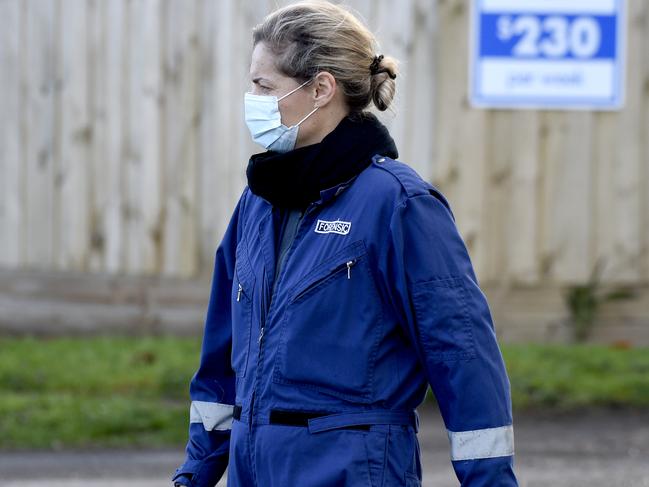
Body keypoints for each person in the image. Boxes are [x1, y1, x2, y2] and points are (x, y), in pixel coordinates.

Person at [172, 1, 518, 486]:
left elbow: (464, 357)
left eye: (263, 85)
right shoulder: (256, 202)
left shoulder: (399, 205)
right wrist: (196, 472)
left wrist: (491, 481)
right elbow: (219, 363)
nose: (251, 98)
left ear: (320, 88)